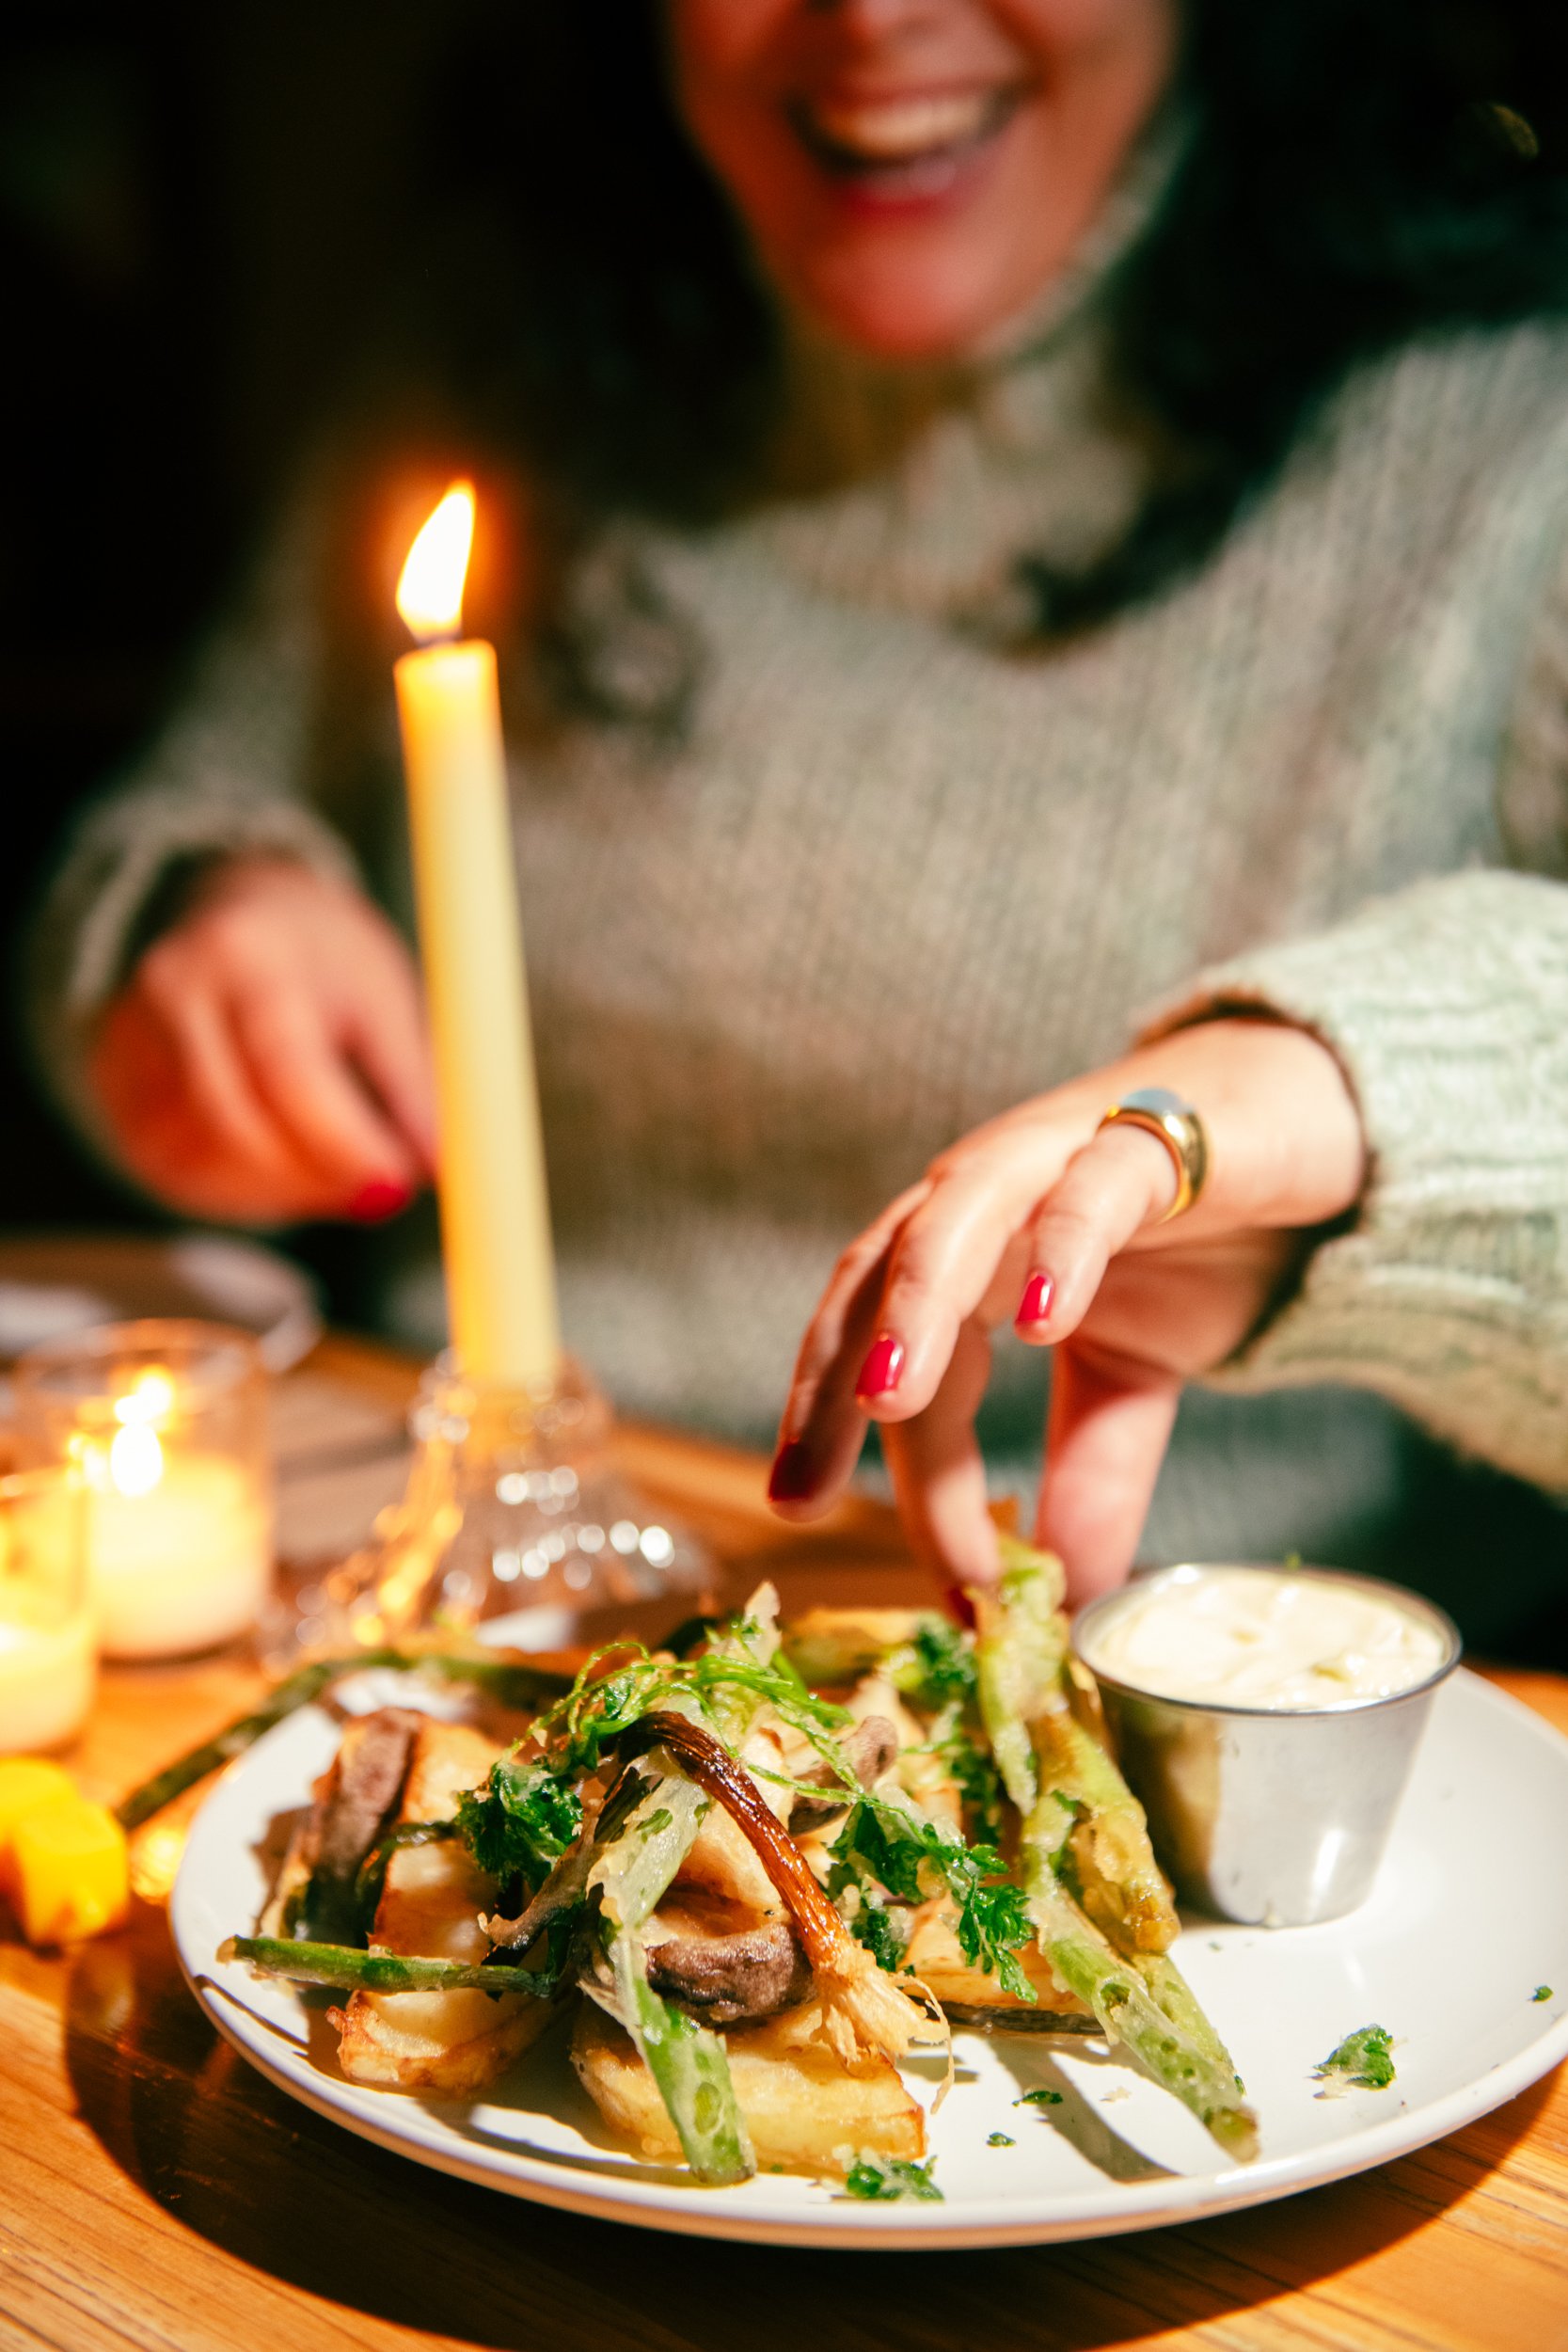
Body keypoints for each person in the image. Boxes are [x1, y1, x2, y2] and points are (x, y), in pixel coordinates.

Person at [32, 1, 1568, 1638]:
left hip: (1249, 1719)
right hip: (509, 1644)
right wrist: (197, 924)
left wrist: (1367, 1099)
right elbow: (190, 813)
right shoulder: (509, 343)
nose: (872, 18)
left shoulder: (1508, 435)